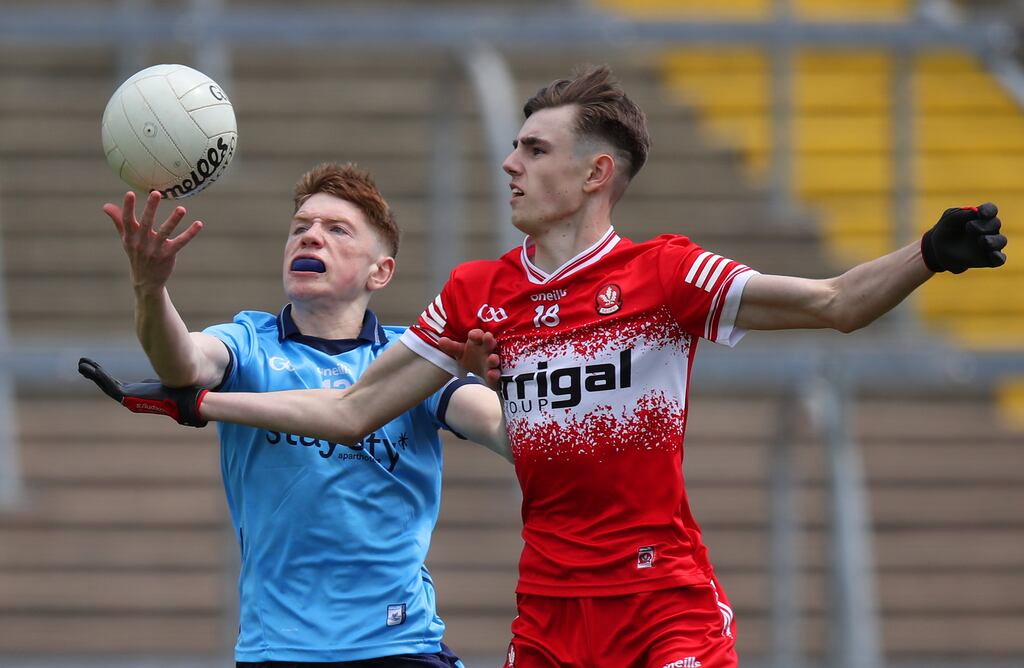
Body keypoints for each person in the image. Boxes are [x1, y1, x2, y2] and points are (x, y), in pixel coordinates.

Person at [86, 66, 1008, 668]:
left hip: (661, 599)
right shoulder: (478, 294)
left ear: (596, 172)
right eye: (514, 145)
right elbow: (350, 411)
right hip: (548, 614)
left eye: (533, 149)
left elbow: (837, 304)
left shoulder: (667, 272)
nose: (510, 162)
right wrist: (206, 404)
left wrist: (927, 252)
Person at [79, 162, 509, 668]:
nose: (310, 238)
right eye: (300, 228)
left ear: (381, 271)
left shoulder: (409, 360)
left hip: (400, 644)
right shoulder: (246, 342)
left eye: (337, 230)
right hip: (277, 650)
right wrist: (149, 288)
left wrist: (507, 384)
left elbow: (498, 427)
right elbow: (181, 364)